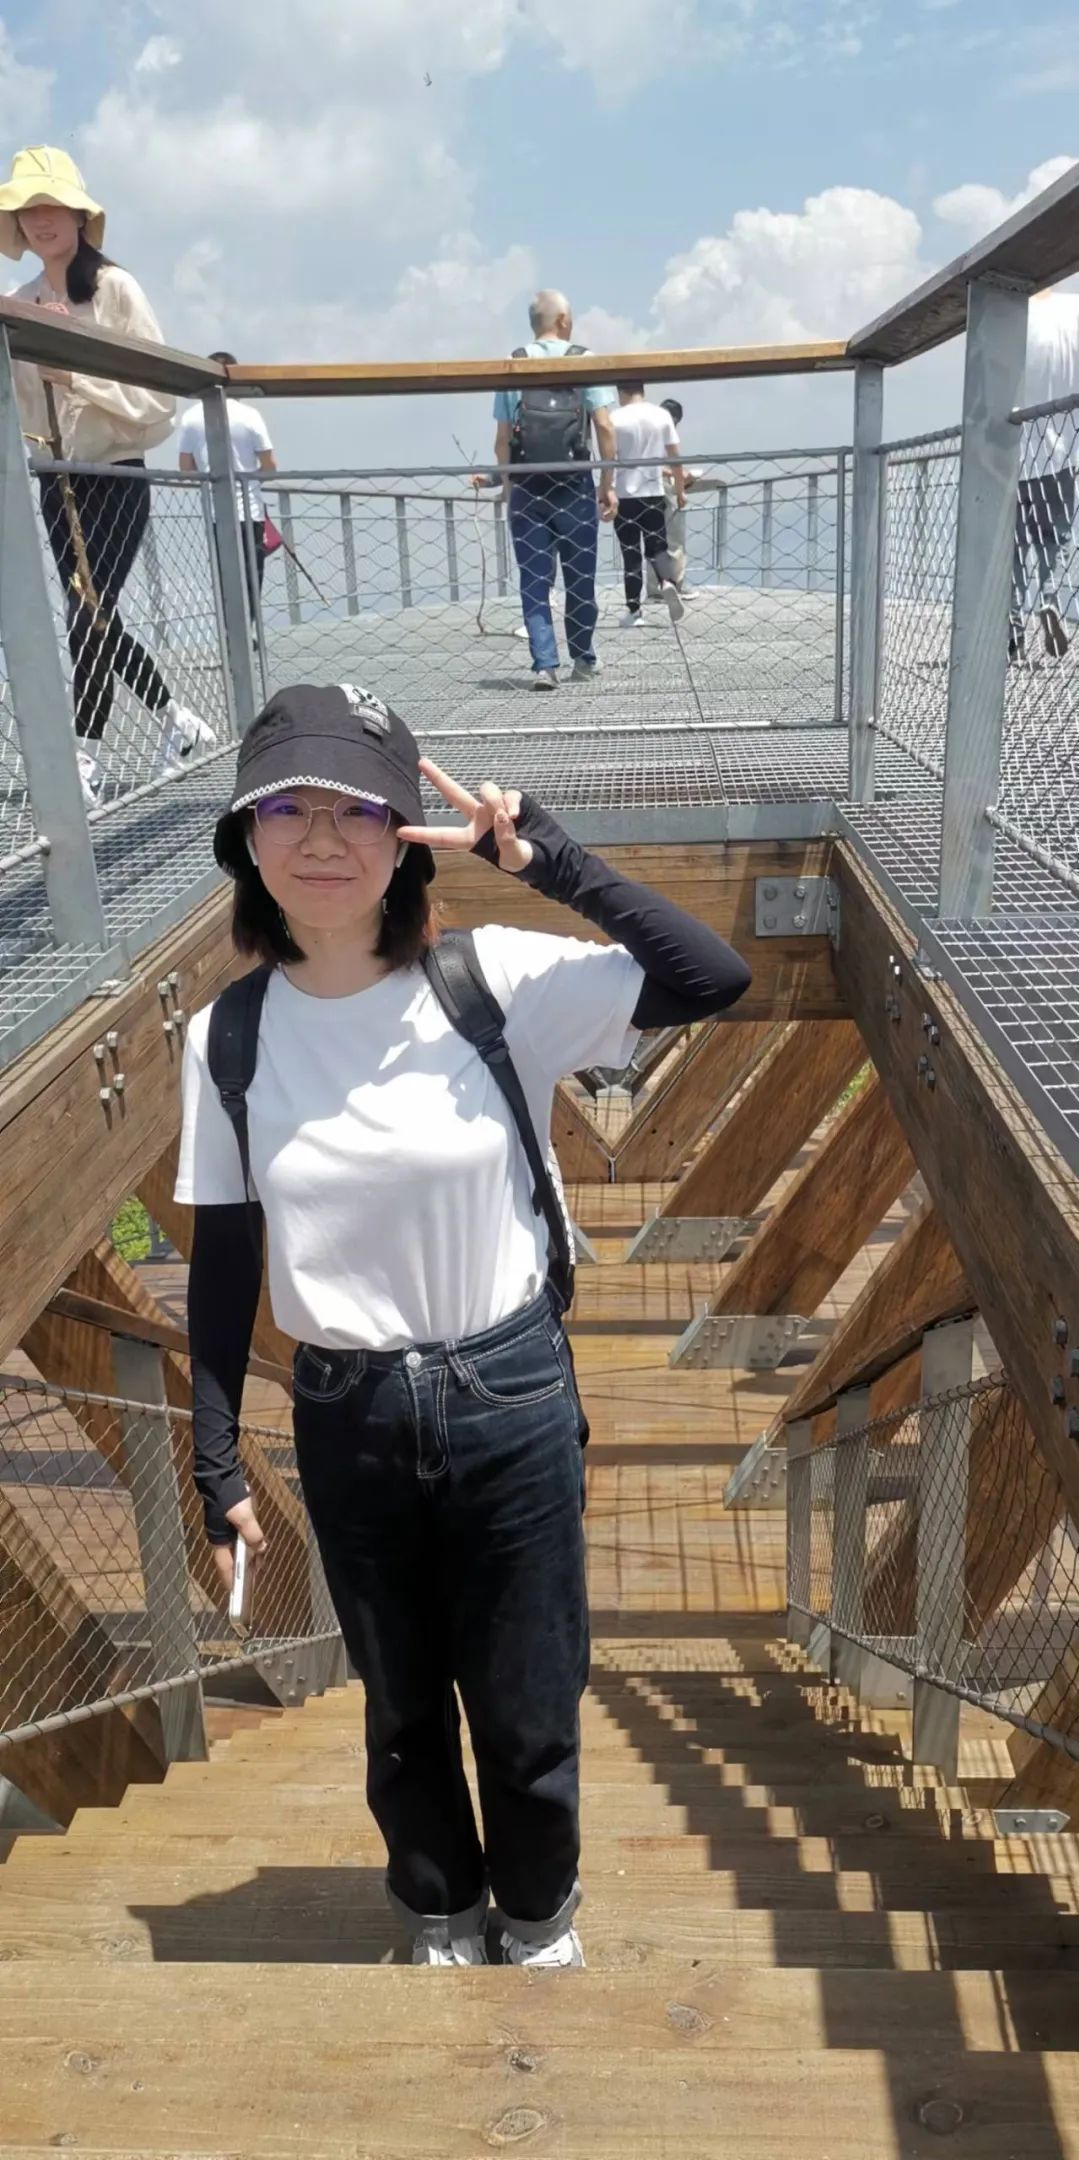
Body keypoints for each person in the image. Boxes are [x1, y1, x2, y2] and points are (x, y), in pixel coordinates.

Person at [177, 681, 751, 1969]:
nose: (322, 839)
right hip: (348, 1413)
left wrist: (549, 857)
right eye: (287, 810)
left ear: (405, 840)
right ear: (248, 841)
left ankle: (539, 1922)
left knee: (528, 1700)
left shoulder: (489, 979)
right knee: (399, 1712)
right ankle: (437, 1917)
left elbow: (710, 976)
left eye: (356, 810)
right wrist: (217, 1460)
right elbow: (225, 1256)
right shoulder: (227, 1039)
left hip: (510, 1395)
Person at [0, 146, 216, 806]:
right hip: (57, 478)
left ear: (78, 215)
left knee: (86, 612)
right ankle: (177, 721)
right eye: (28, 210)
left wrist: (77, 375)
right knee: (93, 615)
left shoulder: (115, 289)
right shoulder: (21, 303)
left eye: (52, 207)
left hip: (116, 474)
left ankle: (84, 757)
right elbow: (23, 407)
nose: (41, 220)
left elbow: (155, 399)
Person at [492, 291, 618, 689]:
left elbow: (501, 441)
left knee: (534, 579)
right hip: (574, 483)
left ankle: (545, 665)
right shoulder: (584, 360)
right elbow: (604, 427)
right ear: (563, 319)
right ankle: (583, 656)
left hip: (528, 485)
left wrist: (509, 488)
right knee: (580, 576)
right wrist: (607, 485)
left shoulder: (514, 362)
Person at [178, 354, 277, 625]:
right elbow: (270, 466)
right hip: (250, 509)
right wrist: (252, 479)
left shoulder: (191, 417)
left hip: (215, 511)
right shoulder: (250, 415)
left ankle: (229, 632)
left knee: (225, 577)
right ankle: (249, 630)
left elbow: (186, 468)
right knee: (252, 576)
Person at [1010, 290, 1079, 662]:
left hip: (1011, 451)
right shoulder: (1075, 308)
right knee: (1055, 538)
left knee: (1013, 549)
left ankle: (1012, 632)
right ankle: (1051, 598)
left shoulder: (1011, 312)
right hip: (1063, 449)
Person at [610, 384, 686, 628]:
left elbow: (609, 460)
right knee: (657, 548)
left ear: (621, 392)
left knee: (631, 554)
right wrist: (680, 490)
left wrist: (606, 491)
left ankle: (634, 611)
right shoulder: (661, 415)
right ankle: (667, 583)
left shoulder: (614, 418)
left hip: (624, 495)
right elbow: (675, 457)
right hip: (653, 492)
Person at [645, 398, 698, 601]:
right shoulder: (665, 433)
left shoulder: (648, 432)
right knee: (675, 540)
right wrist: (680, 480)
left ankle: (655, 589)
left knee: (654, 540)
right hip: (665, 487)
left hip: (646, 488)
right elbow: (664, 464)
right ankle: (676, 585)